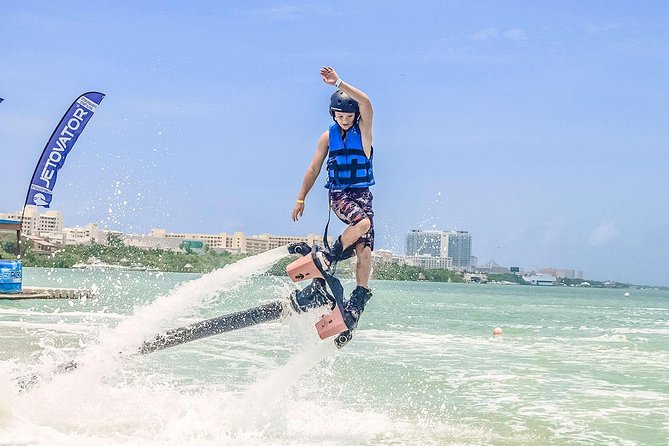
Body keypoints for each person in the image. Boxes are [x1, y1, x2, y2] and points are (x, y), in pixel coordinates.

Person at [291, 66, 375, 329]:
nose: (344, 119)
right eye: (339, 115)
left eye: (349, 115)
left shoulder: (364, 133)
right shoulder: (327, 137)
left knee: (365, 250)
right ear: (333, 114)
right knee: (363, 225)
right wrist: (301, 198)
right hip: (339, 195)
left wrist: (338, 81)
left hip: (363, 195)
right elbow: (314, 168)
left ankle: (358, 299)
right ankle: (328, 256)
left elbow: (367, 102)